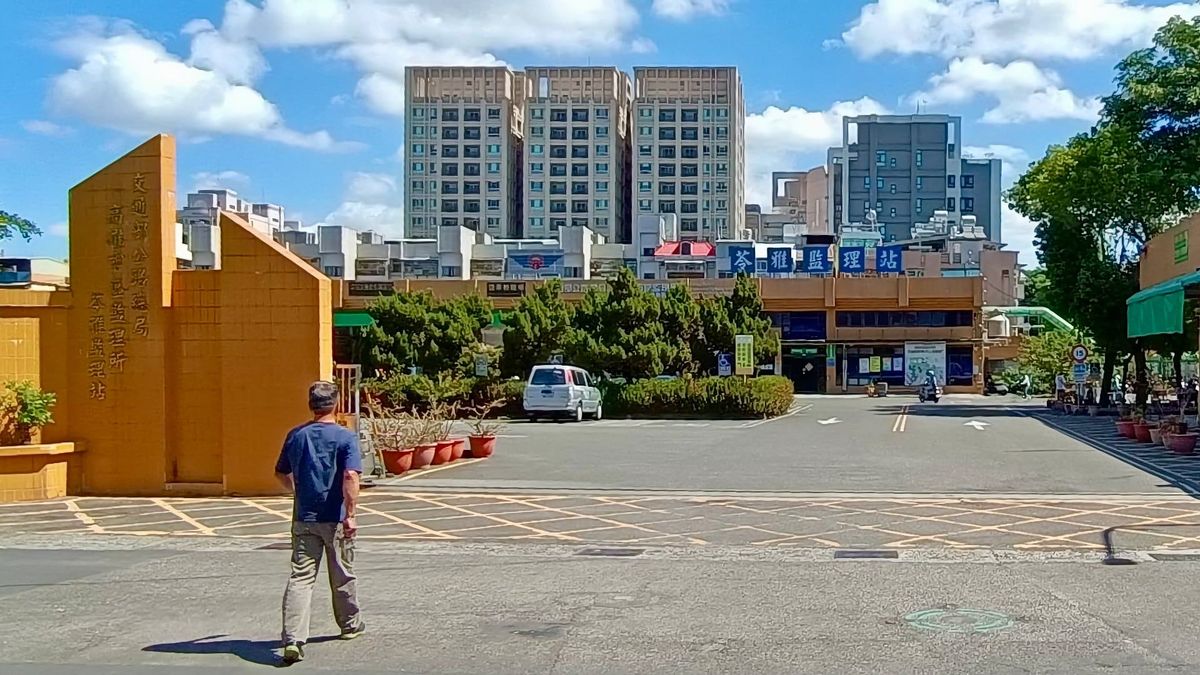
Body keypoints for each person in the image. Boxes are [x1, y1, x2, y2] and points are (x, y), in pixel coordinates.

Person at [275, 381, 364, 665]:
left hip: (304, 517)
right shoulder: (345, 437)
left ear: (310, 405)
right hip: (335, 517)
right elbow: (350, 476)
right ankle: (349, 625)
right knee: (341, 574)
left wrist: (298, 491)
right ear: (335, 404)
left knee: (301, 578)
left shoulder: (296, 436)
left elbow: (280, 472)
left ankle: (293, 639)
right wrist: (351, 514)